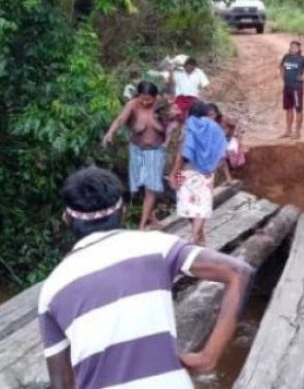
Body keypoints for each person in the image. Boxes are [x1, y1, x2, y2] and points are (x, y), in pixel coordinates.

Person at [38, 167, 254, 389]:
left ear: (66, 219)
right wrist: (208, 357)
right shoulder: (157, 246)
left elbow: (62, 383)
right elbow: (238, 272)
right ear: (122, 212)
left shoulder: (52, 289)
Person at [102, 81, 167, 230]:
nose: (145, 102)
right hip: (137, 150)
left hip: (155, 151)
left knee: (151, 188)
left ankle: (142, 225)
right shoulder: (133, 105)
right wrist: (110, 133)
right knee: (139, 187)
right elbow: (120, 120)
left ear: (155, 98)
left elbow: (175, 123)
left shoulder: (161, 107)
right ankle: (152, 218)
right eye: (142, 98)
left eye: (148, 99)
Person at [169, 102, 227, 245]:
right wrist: (213, 167)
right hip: (206, 172)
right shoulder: (214, 128)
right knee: (202, 205)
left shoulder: (189, 127)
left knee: (188, 205)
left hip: (187, 169)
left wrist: (174, 175)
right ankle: (199, 237)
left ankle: (194, 237)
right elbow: (222, 152)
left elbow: (182, 154)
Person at [279, 40, 304, 139]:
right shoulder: (286, 57)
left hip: (297, 88)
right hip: (287, 87)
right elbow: (280, 66)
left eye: (295, 47)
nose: (292, 48)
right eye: (291, 46)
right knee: (288, 109)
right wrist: (283, 76)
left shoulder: (302, 59)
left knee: (298, 110)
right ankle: (288, 131)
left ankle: (297, 132)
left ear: (299, 49)